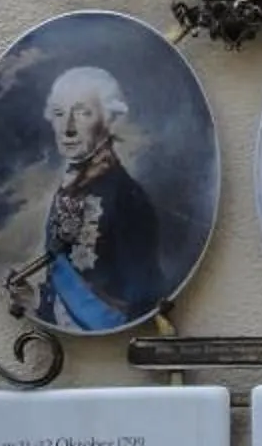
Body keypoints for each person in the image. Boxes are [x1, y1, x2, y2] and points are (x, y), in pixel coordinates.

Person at [14, 64, 168, 330]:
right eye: (59, 114)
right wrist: (37, 302)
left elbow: (137, 307)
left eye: (83, 113)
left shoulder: (127, 198)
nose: (68, 128)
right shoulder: (71, 186)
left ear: (108, 121)